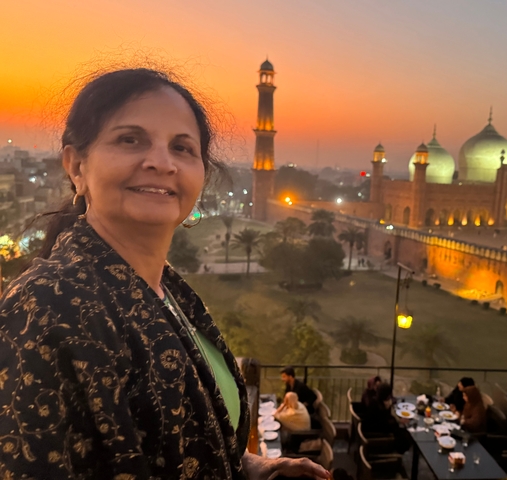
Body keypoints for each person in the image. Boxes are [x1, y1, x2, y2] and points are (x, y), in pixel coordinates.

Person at [0, 69, 328, 480]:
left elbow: (182, 442)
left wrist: (249, 467)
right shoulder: (43, 309)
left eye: (182, 147)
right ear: (77, 166)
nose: (161, 162)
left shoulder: (167, 291)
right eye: (130, 139)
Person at [361, 383, 412, 453]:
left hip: (375, 429)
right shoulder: (377, 408)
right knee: (404, 436)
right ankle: (399, 453)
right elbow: (385, 424)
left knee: (403, 433)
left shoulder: (375, 402)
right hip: (378, 435)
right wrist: (397, 421)